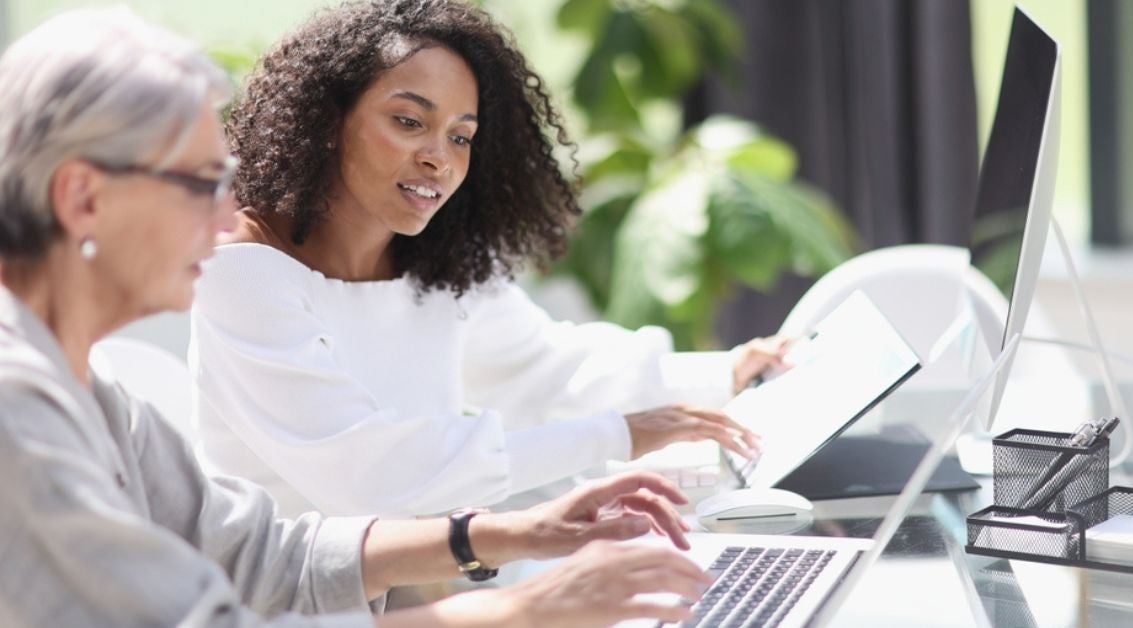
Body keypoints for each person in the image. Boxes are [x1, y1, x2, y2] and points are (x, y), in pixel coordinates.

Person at [0, 8, 712, 626]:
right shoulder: (16, 414)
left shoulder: (93, 396)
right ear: (83, 199)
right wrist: (521, 609)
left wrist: (517, 532)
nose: (229, 217)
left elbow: (263, 554)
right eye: (200, 184)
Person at [191, 0, 789, 518]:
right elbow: (375, 476)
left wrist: (723, 374)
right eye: (408, 122)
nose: (440, 160)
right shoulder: (242, 273)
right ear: (326, 121)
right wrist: (619, 436)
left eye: (461, 136)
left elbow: (541, 368)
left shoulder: (432, 261)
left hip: (422, 583)